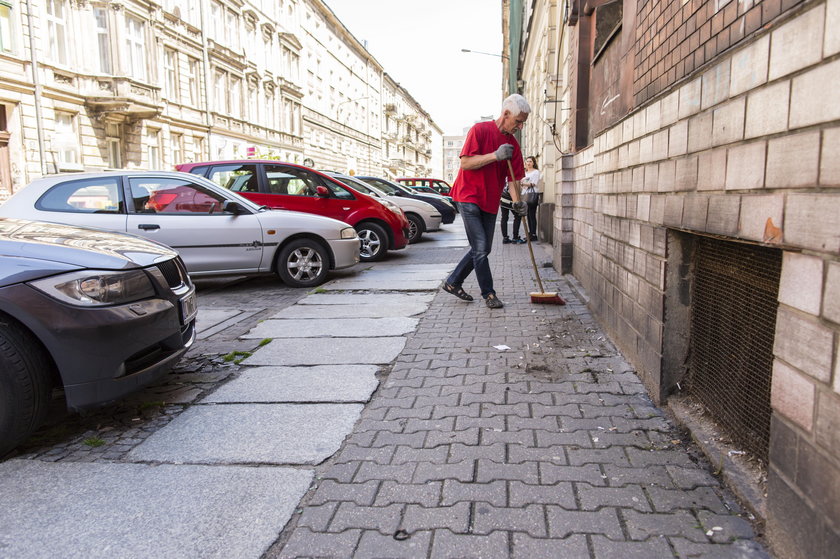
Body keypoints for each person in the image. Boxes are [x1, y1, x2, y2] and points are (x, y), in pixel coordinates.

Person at [442, 93, 531, 309]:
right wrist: (495, 155)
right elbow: (465, 164)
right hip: (468, 196)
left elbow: (513, 179)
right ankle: (489, 294)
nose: (519, 127)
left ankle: (453, 282)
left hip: (491, 202)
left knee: (483, 249)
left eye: (523, 123)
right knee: (480, 247)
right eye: (518, 121)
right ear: (506, 114)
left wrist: (518, 202)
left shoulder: (513, 146)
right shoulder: (479, 130)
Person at [499, 179, 524, 244]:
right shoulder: (515, 174)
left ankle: (505, 238)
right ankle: (515, 238)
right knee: (518, 216)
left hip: (503, 196)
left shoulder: (505, 172)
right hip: (510, 198)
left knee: (504, 217)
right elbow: (515, 189)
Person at [521, 156, 541, 241]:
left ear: (533, 163)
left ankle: (533, 234)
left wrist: (524, 183)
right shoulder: (524, 173)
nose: (528, 163)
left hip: (532, 195)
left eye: (530, 161)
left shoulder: (536, 172)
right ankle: (530, 233)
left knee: (532, 215)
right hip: (525, 195)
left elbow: (534, 183)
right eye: (527, 161)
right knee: (528, 215)